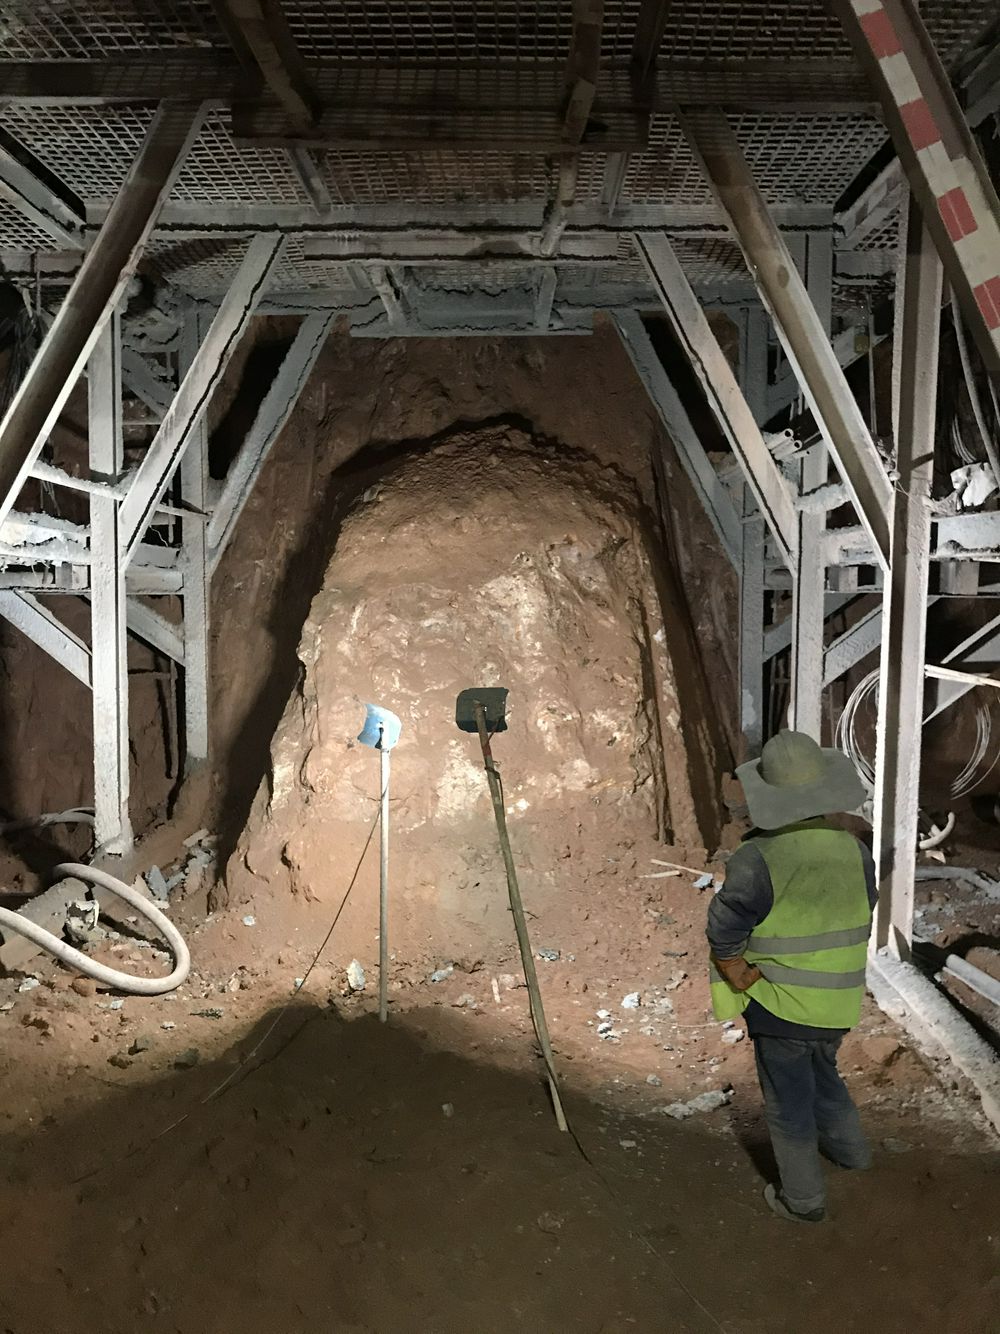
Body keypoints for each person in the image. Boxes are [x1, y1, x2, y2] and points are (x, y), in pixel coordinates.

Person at [706, 729, 877, 1224]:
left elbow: (724, 927)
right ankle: (852, 1154)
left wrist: (735, 967)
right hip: (837, 1003)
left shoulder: (758, 858)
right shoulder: (853, 849)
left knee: (787, 1104)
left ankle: (803, 1201)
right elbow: (864, 906)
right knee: (825, 1076)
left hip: (780, 1006)